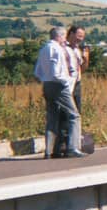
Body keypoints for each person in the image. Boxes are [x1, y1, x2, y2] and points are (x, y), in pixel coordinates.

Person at [34, 27, 85, 158]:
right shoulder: (57, 49)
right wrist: (66, 82)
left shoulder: (44, 49)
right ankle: (73, 147)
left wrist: (46, 80)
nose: (65, 39)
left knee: (52, 118)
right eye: (64, 36)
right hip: (59, 85)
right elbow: (57, 72)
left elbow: (38, 71)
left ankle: (49, 150)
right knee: (74, 115)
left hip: (47, 85)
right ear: (60, 36)